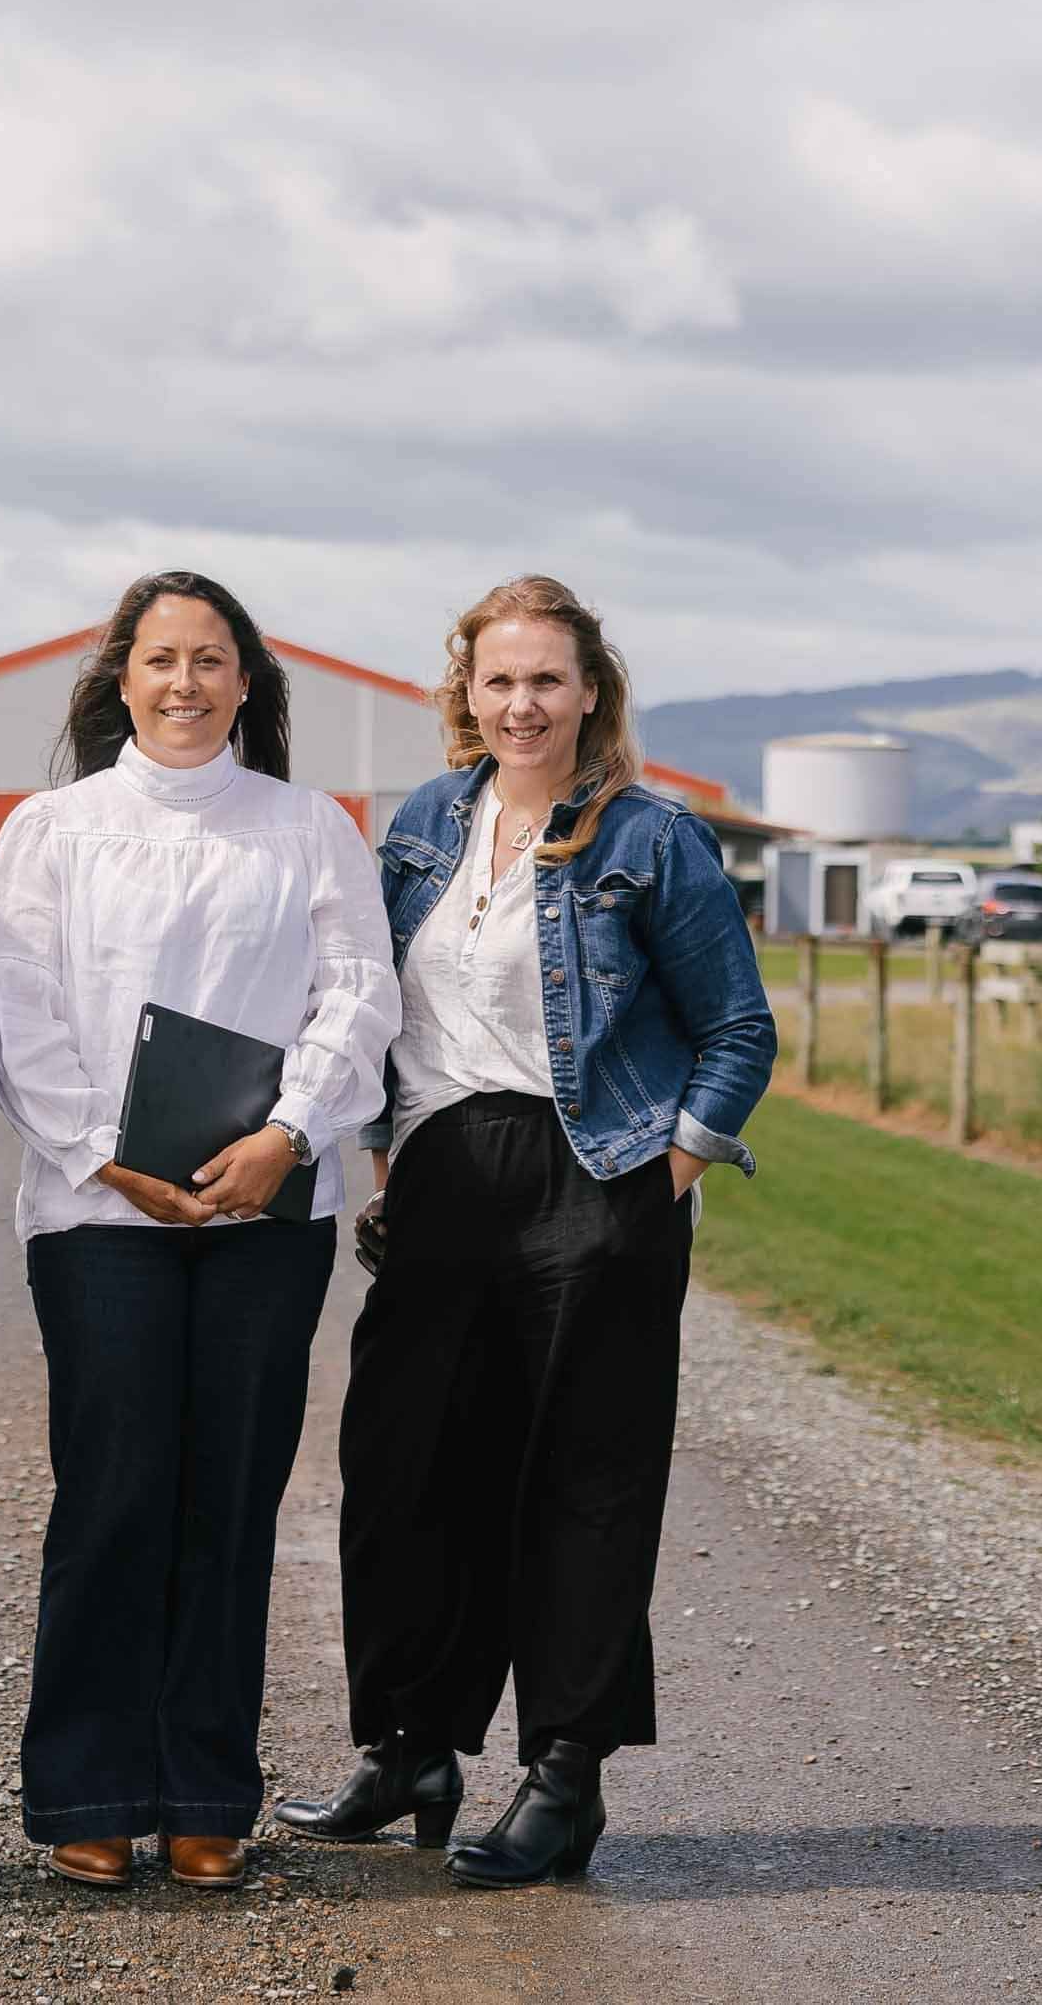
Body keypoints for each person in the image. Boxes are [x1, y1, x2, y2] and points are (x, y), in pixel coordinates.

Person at [273, 574, 775, 1888]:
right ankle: (409, 1745)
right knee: (401, 1468)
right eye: (497, 680)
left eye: (545, 678)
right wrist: (382, 1157)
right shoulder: (426, 822)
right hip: (441, 1175)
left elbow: (738, 1030)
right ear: (465, 692)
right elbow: (379, 1005)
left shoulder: (650, 840)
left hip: (593, 1174)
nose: (520, 702)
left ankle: (563, 1776)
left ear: (589, 691)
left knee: (580, 1484)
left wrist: (657, 1177)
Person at [0, 569, 399, 1894]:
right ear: (118, 678)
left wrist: (286, 1130)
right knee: (112, 1491)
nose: (183, 684)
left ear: (246, 682)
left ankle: (205, 1786)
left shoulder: (305, 828)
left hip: (267, 1210)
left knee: (230, 1495)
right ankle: (91, 1788)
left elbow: (358, 997)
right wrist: (110, 1155)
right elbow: (13, 1007)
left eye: (210, 660)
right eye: (159, 659)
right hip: (98, 1212)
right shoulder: (49, 829)